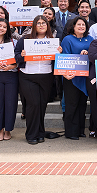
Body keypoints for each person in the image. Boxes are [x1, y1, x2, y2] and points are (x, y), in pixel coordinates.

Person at [14, 15, 61, 145]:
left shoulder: (53, 41)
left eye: (43, 23)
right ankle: (31, 134)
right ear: (34, 26)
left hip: (46, 75)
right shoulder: (25, 39)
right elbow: (16, 56)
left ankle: (40, 133)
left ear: (48, 25)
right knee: (33, 104)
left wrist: (59, 53)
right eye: (38, 23)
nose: (41, 25)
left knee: (42, 105)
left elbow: (57, 60)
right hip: (28, 76)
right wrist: (22, 56)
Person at [61, 16, 94, 140]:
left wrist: (87, 53)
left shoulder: (90, 39)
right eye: (78, 25)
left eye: (83, 25)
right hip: (71, 77)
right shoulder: (67, 39)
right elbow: (64, 58)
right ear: (73, 27)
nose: (81, 27)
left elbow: (93, 56)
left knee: (82, 104)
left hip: (84, 77)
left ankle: (80, 130)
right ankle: (71, 132)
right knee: (71, 104)